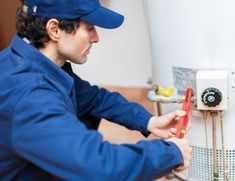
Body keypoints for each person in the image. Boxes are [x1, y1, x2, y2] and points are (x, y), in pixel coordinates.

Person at [0, 0, 192, 180]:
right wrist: (170, 153)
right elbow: (99, 167)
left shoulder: (32, 63)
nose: (96, 38)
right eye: (89, 28)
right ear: (54, 29)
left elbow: (94, 99)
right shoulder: (30, 96)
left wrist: (149, 122)